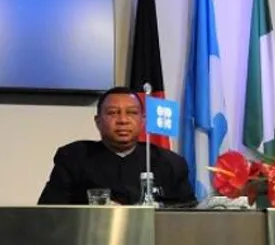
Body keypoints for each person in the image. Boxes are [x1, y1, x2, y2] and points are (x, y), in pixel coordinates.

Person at [38, 87, 195, 206]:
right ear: (98, 121)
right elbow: (49, 214)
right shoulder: (74, 158)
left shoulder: (169, 163)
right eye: (113, 113)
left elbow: (188, 216)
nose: (123, 120)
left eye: (132, 113)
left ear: (143, 121)